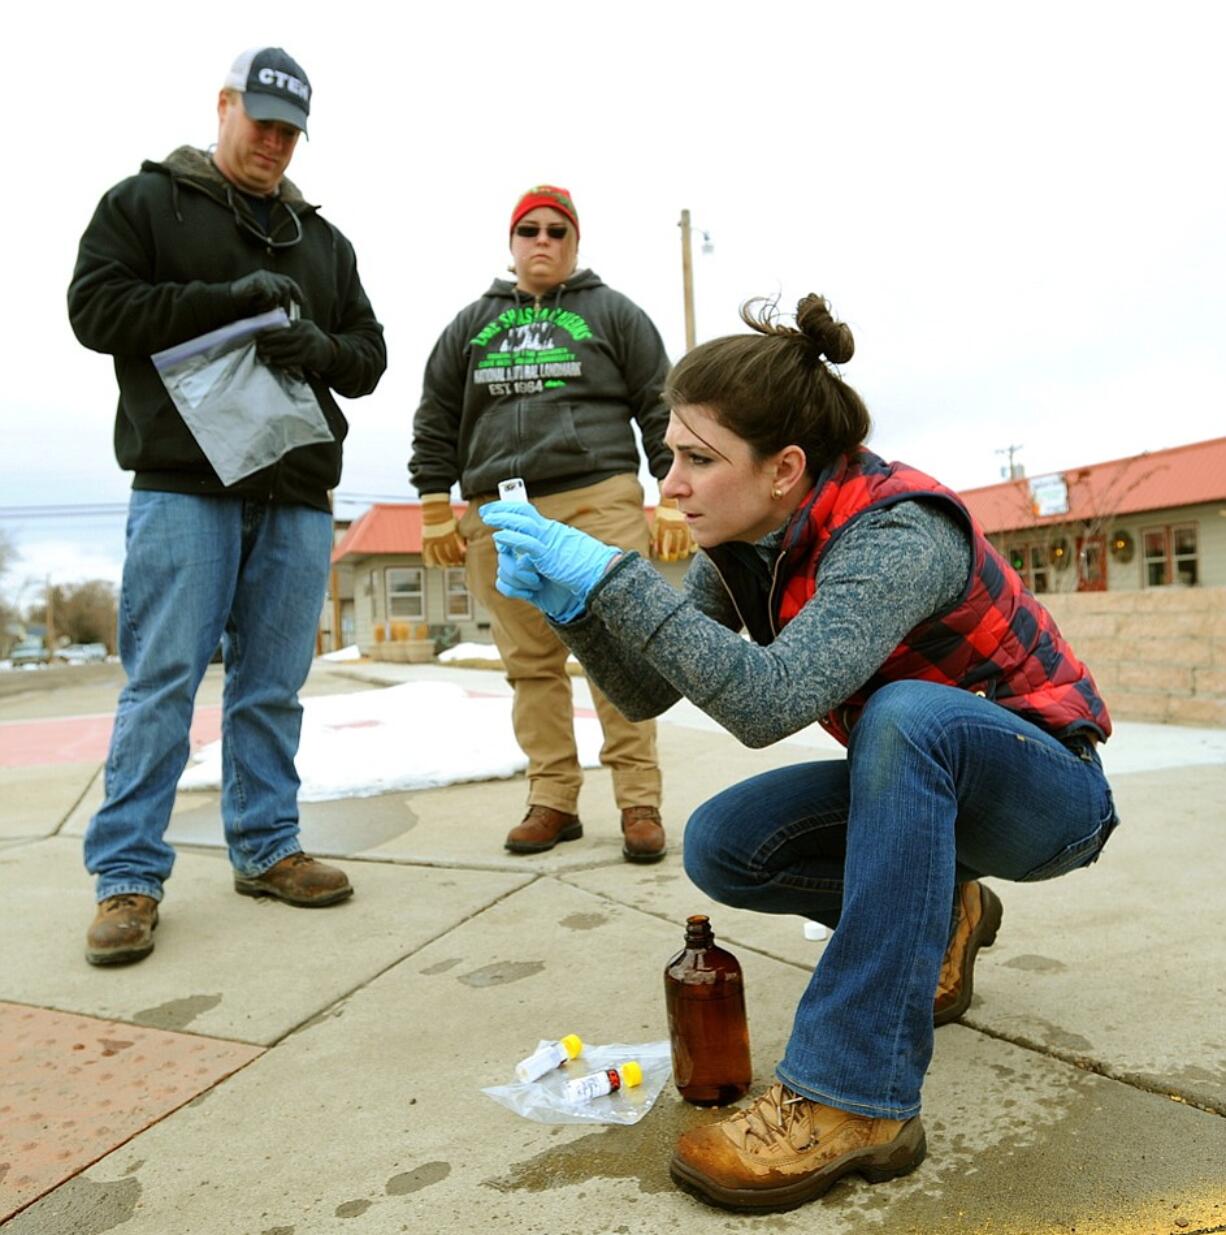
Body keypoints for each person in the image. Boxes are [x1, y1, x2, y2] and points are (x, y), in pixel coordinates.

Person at [481, 294, 1117, 1212]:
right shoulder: (749, 542)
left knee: (908, 712)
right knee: (725, 843)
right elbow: (650, 689)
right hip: (927, 784)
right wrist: (575, 607)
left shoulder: (898, 532)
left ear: (784, 468)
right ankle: (945, 906)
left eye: (698, 459)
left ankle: (858, 1095)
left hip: (1051, 799)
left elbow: (767, 700)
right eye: (670, 455)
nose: (671, 484)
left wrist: (615, 575)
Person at [67, 47, 387, 966]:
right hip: (183, 487)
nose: (275, 145)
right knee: (163, 681)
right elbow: (95, 311)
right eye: (263, 125)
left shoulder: (323, 241)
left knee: (272, 686)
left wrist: (318, 349)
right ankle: (127, 876)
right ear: (225, 108)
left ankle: (267, 845)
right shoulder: (145, 203)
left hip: (293, 492)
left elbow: (368, 355)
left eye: (291, 132)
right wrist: (222, 303)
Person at [409, 184, 694, 863]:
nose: (543, 240)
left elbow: (664, 405)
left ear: (574, 241)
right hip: (499, 508)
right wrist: (430, 503)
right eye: (530, 230)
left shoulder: (614, 313)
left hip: (596, 495)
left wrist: (674, 490)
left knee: (619, 654)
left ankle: (638, 802)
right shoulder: (469, 324)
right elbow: (437, 414)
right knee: (530, 664)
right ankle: (553, 798)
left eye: (557, 231)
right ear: (512, 242)